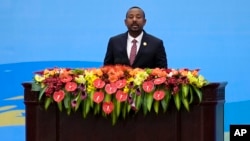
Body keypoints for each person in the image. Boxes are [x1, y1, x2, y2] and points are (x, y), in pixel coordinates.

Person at [103, 6, 168, 69]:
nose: (134, 20)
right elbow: (106, 69)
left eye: (138, 17)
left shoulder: (156, 43)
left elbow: (162, 71)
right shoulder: (114, 42)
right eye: (131, 17)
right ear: (125, 22)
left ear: (144, 22)